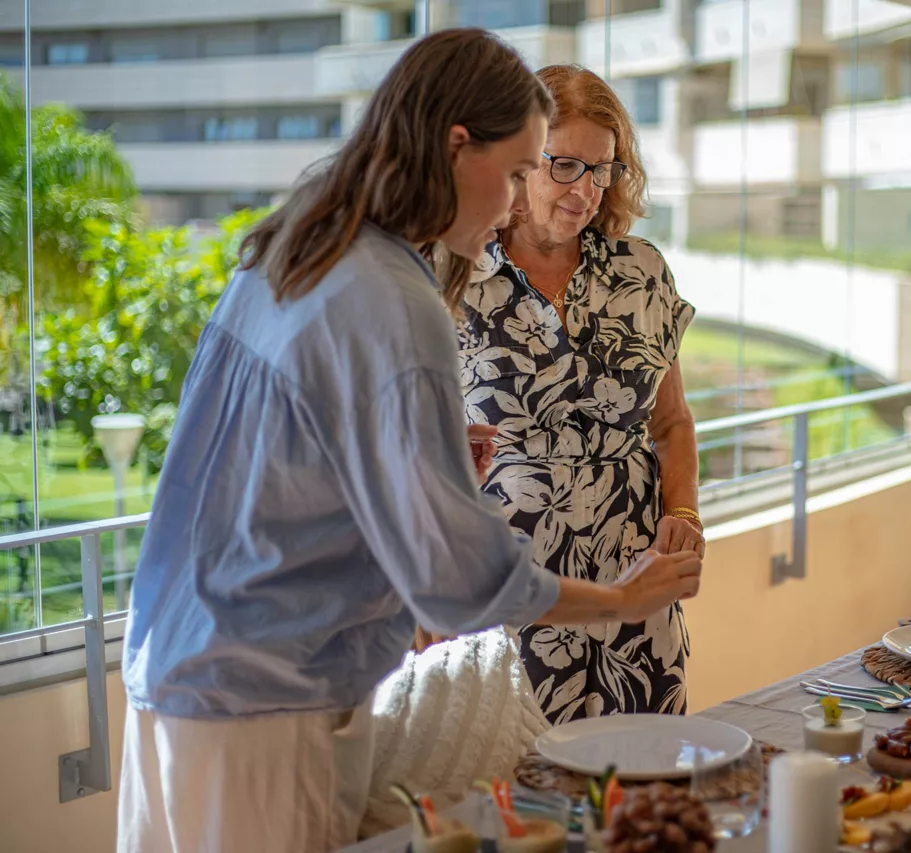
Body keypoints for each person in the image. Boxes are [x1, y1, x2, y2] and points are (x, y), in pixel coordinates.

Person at [116, 31, 701, 853]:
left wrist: (415, 458)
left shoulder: (296, 248)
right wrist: (623, 602)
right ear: (459, 148)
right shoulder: (397, 294)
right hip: (269, 703)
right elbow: (456, 581)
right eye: (518, 171)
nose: (512, 203)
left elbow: (273, 462)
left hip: (178, 672)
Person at [454, 65, 702, 723]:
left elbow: (672, 420)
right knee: (524, 801)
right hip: (516, 595)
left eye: (603, 169)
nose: (586, 188)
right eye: (564, 165)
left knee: (641, 795)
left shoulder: (641, 271)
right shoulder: (458, 276)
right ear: (521, 159)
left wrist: (685, 512)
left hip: (636, 586)